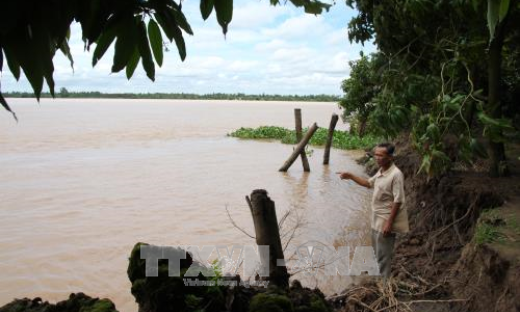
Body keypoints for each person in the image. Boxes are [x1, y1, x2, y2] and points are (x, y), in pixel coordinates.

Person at [337, 143, 409, 279]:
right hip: (376, 219)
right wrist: (350, 176)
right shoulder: (381, 171)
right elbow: (368, 183)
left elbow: (398, 200)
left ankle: (385, 289)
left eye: (381, 155)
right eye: (376, 154)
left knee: (383, 256)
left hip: (385, 220)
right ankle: (378, 283)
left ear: (390, 157)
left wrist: (389, 223)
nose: (377, 158)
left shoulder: (396, 174)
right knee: (377, 253)